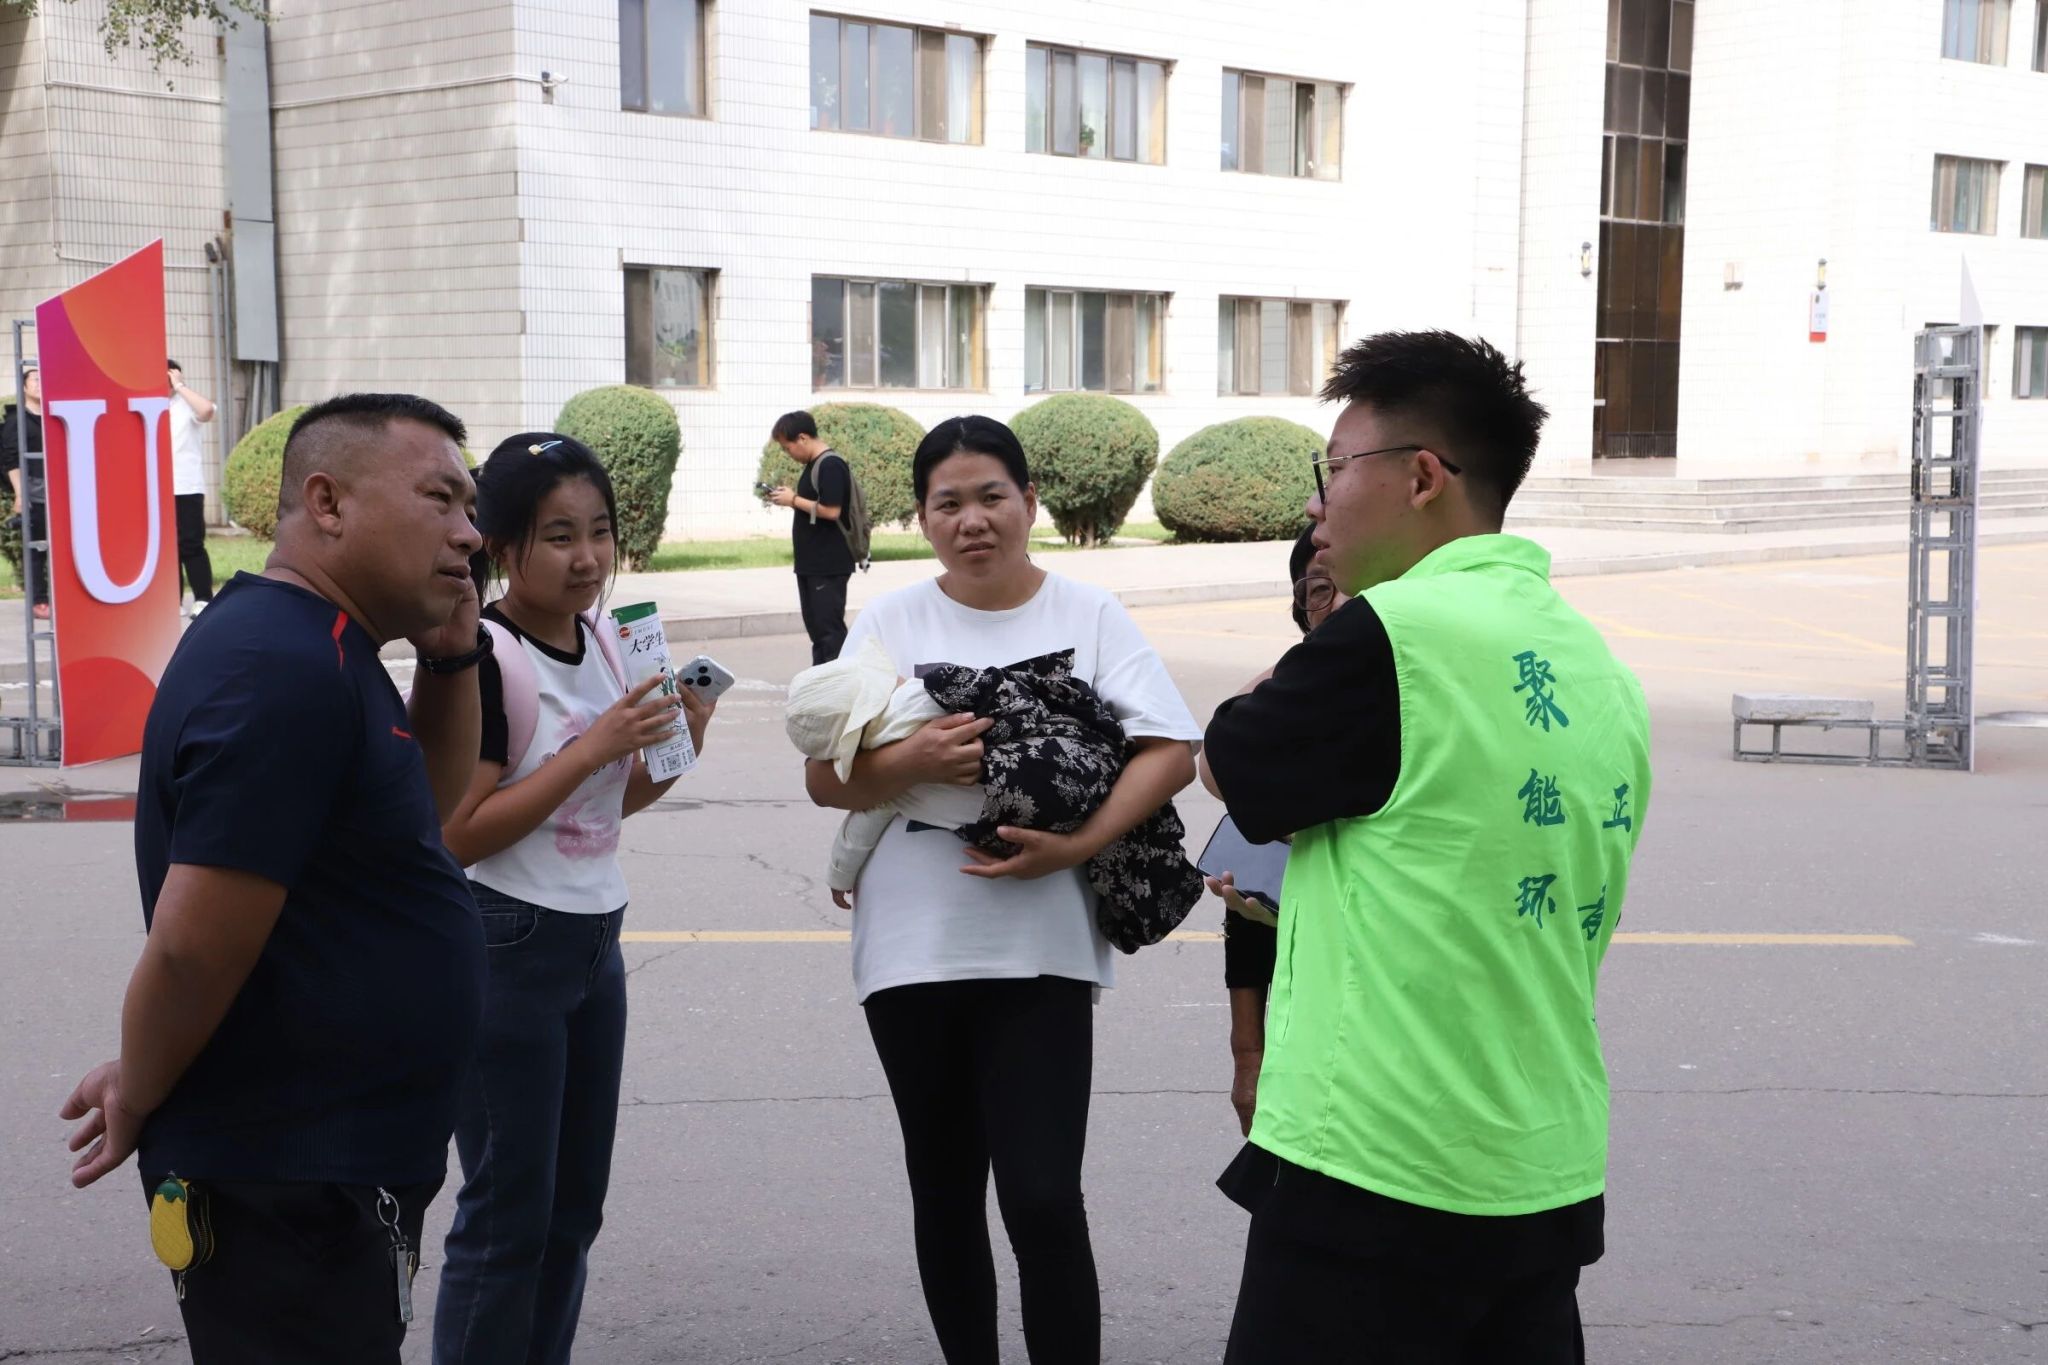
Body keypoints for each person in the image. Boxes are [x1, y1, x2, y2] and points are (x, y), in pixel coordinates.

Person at [1202, 331, 1653, 1364]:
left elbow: (1230, 764)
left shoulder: (1391, 635)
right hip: (1542, 1169)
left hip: (1377, 1168)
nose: (1317, 502)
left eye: (1334, 468)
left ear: (1420, 478)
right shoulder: (1596, 664)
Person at [57, 393, 492, 1365]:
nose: (470, 533)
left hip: (326, 1175)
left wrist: (452, 656)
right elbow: (191, 950)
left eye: (470, 508)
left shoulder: (324, 646)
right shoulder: (282, 667)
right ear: (327, 503)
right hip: (286, 1181)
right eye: (440, 499)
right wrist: (142, 1087)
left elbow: (418, 821)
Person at [803, 415, 1201, 1365]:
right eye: (948, 503)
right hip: (911, 947)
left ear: (1029, 501)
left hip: (1043, 947)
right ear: (922, 516)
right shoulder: (889, 621)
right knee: (944, 1190)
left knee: (1042, 1195)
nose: (971, 520)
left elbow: (1171, 750)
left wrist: (1079, 846)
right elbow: (825, 779)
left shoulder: (1088, 612)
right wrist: (911, 759)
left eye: (991, 497)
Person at [431, 433, 716, 1365]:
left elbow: (604, 806)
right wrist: (594, 746)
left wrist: (678, 743)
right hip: (504, 941)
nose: (587, 557)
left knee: (571, 1212)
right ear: (502, 544)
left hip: (595, 941)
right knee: (508, 1213)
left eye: (599, 531)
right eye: (558, 536)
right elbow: (458, 832)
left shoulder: (604, 638)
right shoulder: (486, 656)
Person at [1206, 528, 1342, 1138]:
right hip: (1302, 1030)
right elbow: (1245, 911)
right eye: (1319, 591)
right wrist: (1248, 1058)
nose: (1339, 606)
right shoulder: (1291, 716)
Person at [767, 410, 854, 665]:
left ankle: (837, 679)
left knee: (829, 631)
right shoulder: (813, 466)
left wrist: (793, 499)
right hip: (811, 563)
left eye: (788, 448)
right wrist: (791, 498)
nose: (788, 454)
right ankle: (820, 679)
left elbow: (832, 510)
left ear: (803, 438)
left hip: (828, 564)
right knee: (817, 631)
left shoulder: (831, 465)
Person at [167, 361, 217, 615]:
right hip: (156, 488)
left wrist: (179, 386)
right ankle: (170, 600)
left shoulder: (186, 404)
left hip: (186, 486)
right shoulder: (148, 406)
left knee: (191, 543)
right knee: (166, 547)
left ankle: (203, 597)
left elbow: (207, 410)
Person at [1, 362, 48, 618]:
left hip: (59, 492)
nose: (41, 384)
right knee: (36, 548)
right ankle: (39, 601)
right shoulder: (16, 420)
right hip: (34, 491)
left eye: (44, 380)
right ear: (24, 387)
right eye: (36, 380)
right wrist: (20, 494)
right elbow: (10, 460)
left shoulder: (53, 416)